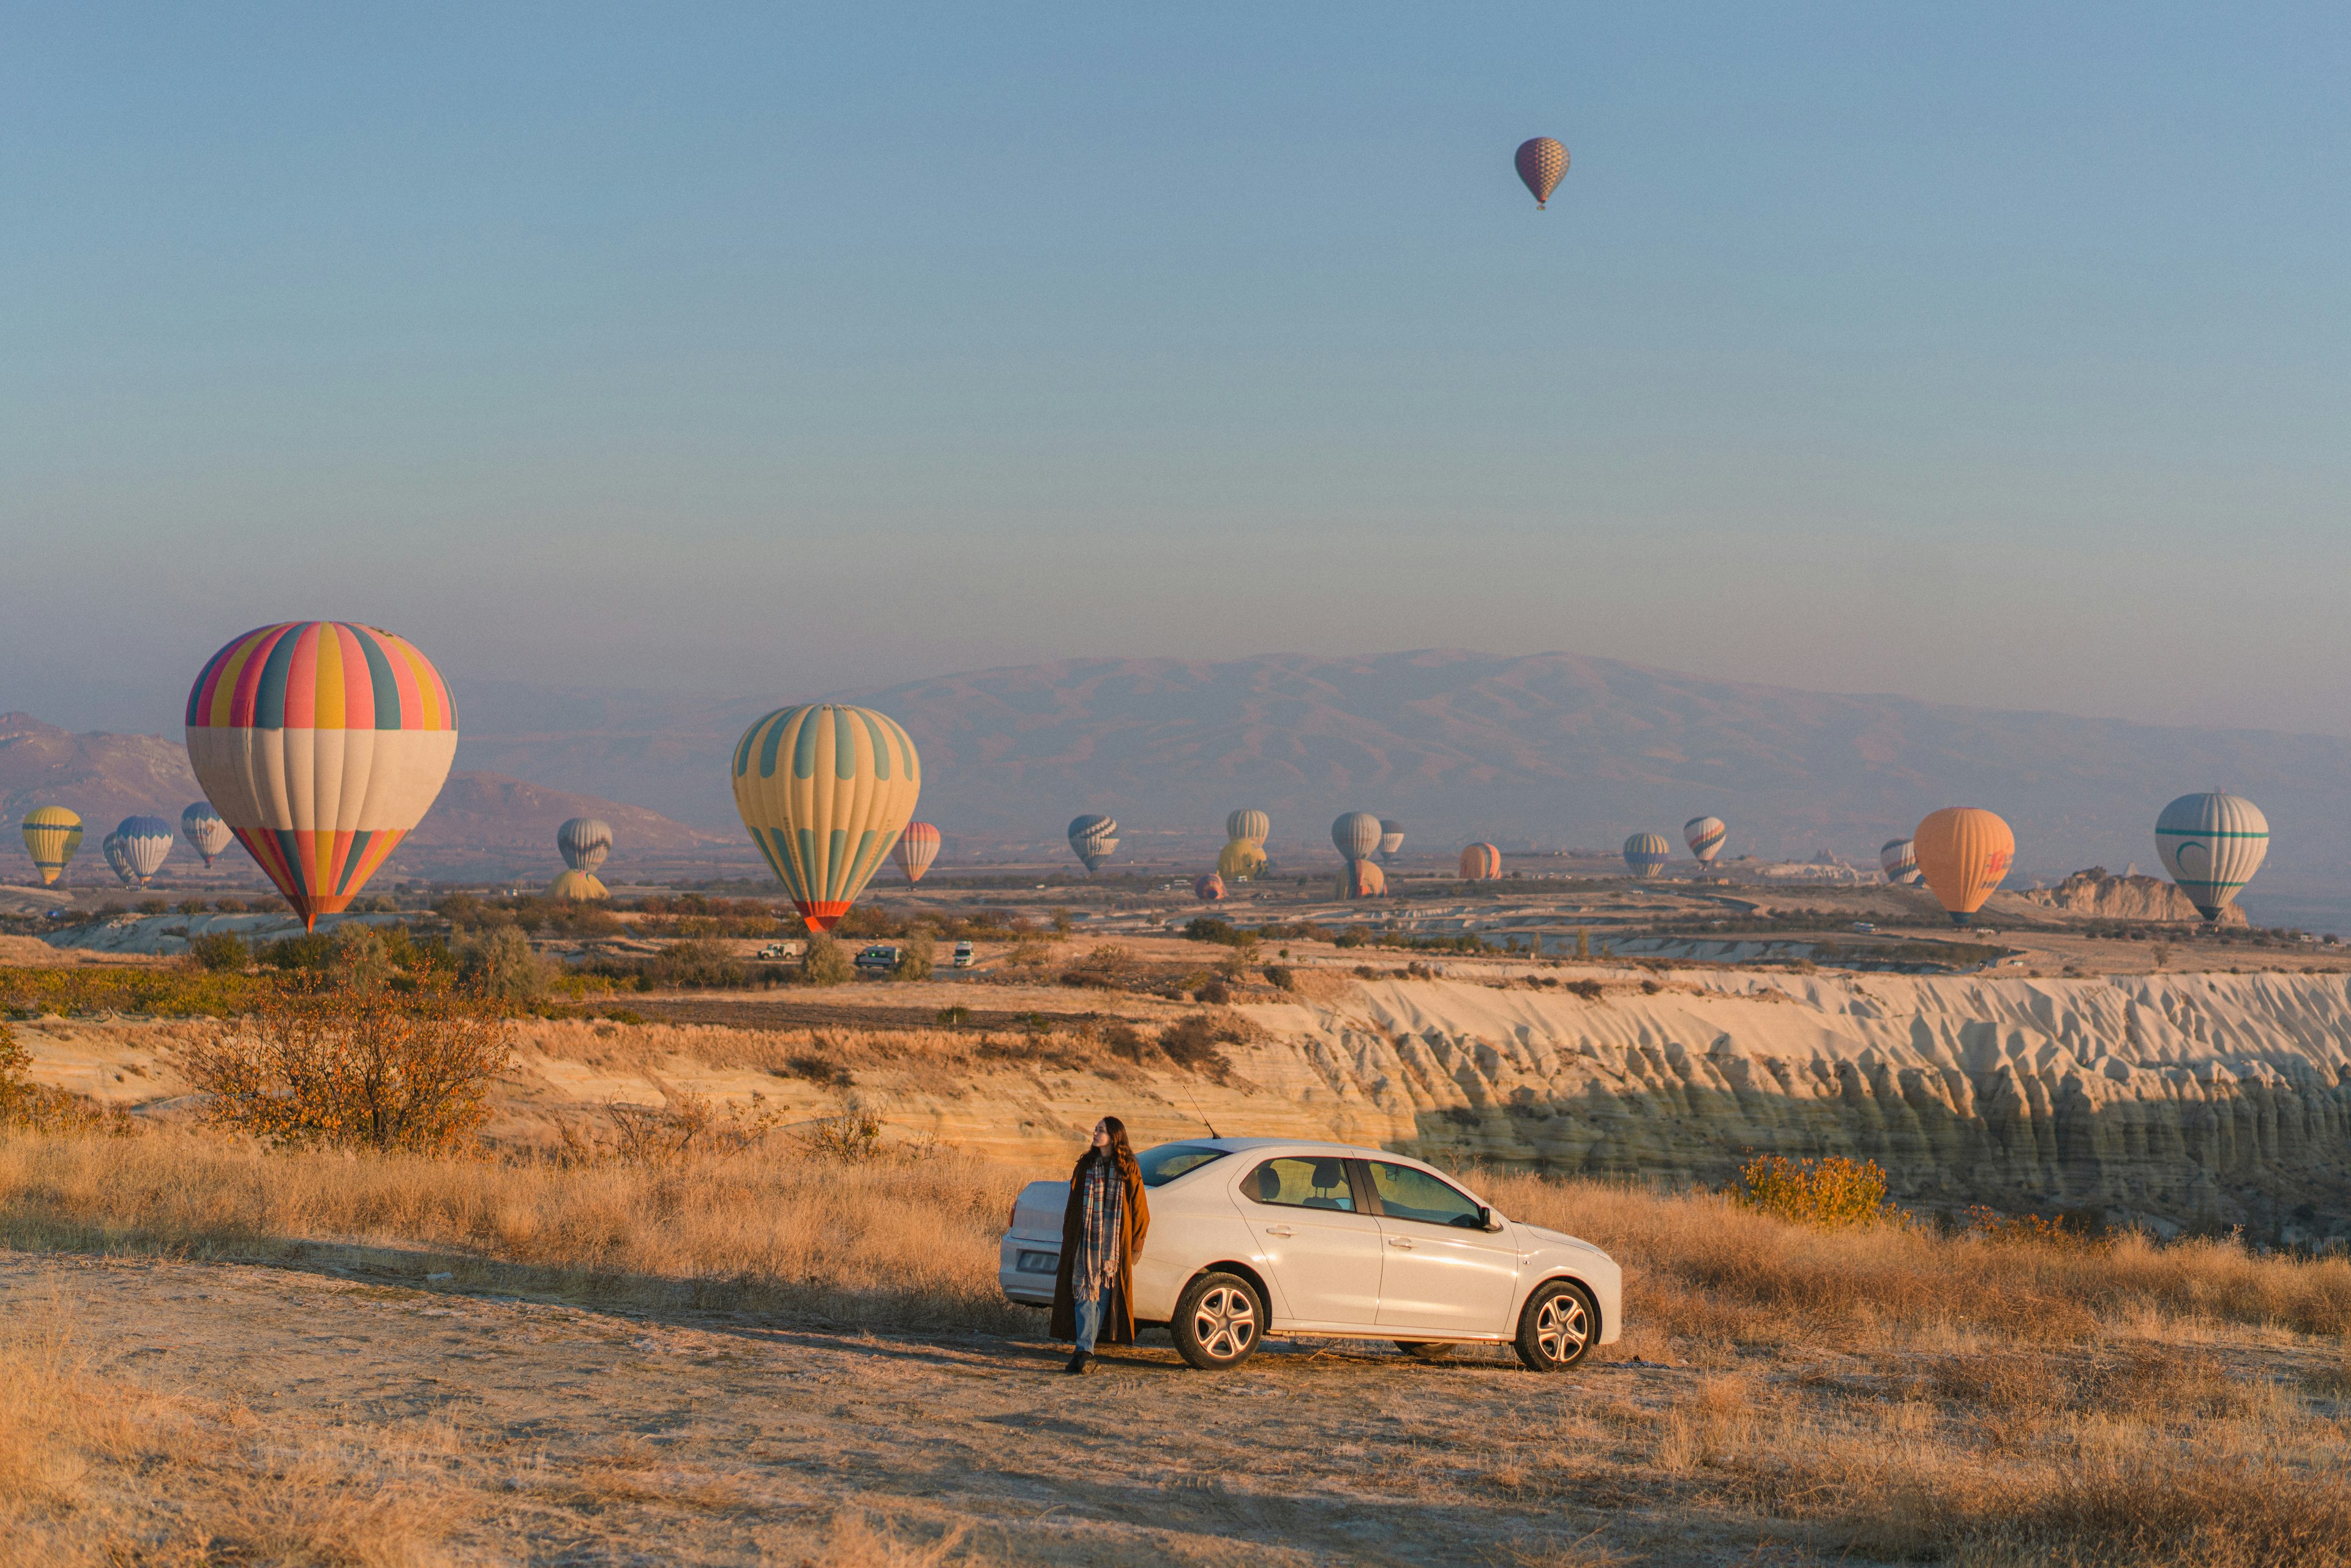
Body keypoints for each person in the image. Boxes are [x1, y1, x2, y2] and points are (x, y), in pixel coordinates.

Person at [1048, 1116, 1149, 1375]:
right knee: (1084, 1292)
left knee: (1101, 1297)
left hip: (1112, 1248)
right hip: (1084, 1243)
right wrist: (1069, 1236)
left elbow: (1140, 1210)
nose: (1095, 1133)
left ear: (1114, 1137)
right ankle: (1084, 1351)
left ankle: (1083, 1352)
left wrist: (1136, 1244)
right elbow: (1072, 1205)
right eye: (1095, 1129)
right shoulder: (1086, 1165)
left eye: (1100, 1130)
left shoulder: (1128, 1168)